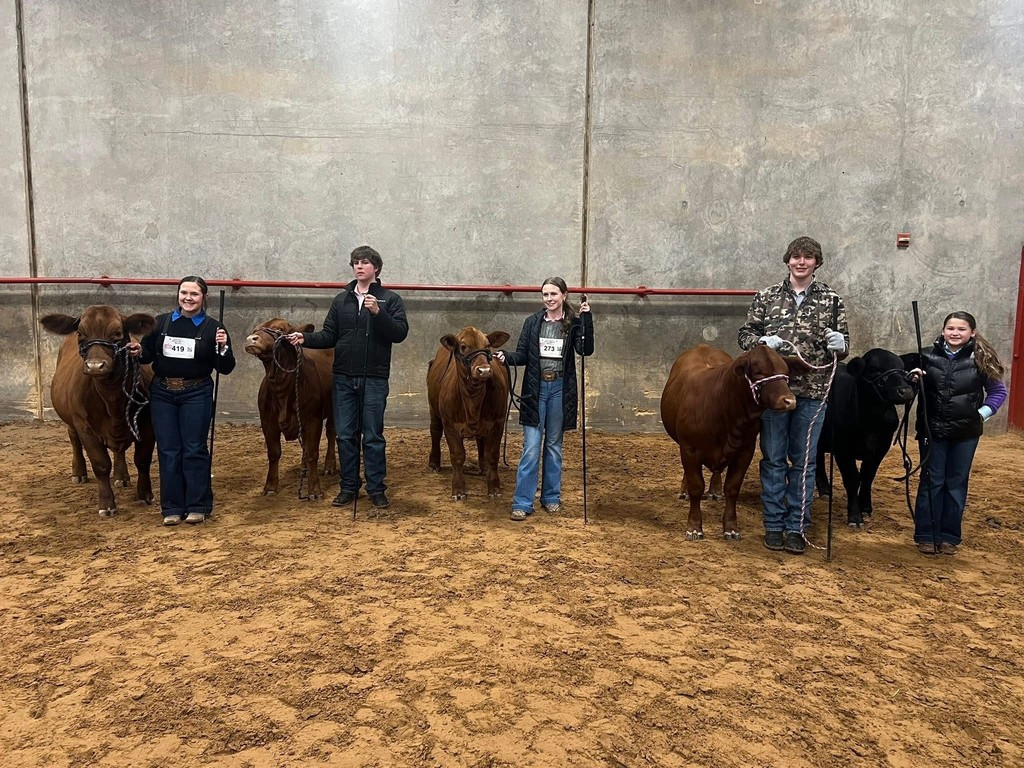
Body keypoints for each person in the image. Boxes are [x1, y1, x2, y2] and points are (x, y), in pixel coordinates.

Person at [738, 236, 849, 554]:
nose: (801, 262)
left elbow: (845, 344)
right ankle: (773, 525)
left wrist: (840, 343)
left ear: (817, 262)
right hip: (774, 393)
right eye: (796, 257)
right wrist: (762, 342)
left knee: (804, 463)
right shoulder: (767, 296)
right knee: (773, 459)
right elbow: (745, 335)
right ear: (788, 260)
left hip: (812, 392)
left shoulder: (831, 299)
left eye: (808, 257)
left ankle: (796, 527)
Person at [288, 245, 408, 509]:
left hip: (374, 378)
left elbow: (399, 333)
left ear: (376, 267)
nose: (359, 266)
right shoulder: (341, 300)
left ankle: (376, 488)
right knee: (344, 435)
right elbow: (329, 335)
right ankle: (349, 487)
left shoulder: (390, 299)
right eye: (355, 262)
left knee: (373, 436)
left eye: (365, 262)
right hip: (342, 378)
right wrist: (305, 338)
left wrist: (379, 314)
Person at [129, 275, 235, 526]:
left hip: (196, 393)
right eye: (184, 293)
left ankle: (198, 504)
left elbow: (226, 368)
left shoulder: (213, 328)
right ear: (178, 295)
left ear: (203, 297)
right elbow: (147, 355)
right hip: (163, 392)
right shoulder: (161, 323)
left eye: (194, 294)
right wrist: (138, 351)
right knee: (168, 449)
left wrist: (223, 347)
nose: (188, 298)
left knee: (194, 447)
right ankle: (172, 507)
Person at [907, 311, 1007, 556]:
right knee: (932, 481)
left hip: (966, 433)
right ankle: (927, 535)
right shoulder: (926, 357)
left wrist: (981, 414)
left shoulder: (980, 359)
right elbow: (906, 386)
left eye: (961, 329)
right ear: (943, 331)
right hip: (933, 430)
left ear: (972, 332)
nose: (955, 333)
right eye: (950, 328)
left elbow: (998, 392)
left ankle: (949, 535)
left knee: (956, 483)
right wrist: (913, 378)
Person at [496, 277, 594, 521]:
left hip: (560, 389)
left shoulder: (572, 323)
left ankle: (551, 497)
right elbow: (522, 355)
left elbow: (585, 349)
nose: (549, 299)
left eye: (553, 294)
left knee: (553, 446)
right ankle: (522, 501)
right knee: (531, 448)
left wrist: (587, 320)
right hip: (536, 389)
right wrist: (505, 357)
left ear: (564, 295)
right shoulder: (532, 323)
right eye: (545, 295)